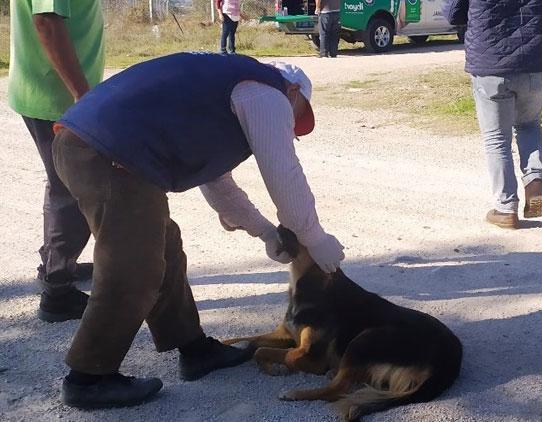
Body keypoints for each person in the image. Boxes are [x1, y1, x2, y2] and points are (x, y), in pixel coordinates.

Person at [52, 53, 346, 408]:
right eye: (297, 115)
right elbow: (283, 173)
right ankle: (88, 377)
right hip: (104, 151)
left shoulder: (225, 91)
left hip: (93, 144)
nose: (291, 124)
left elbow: (218, 185)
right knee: (134, 265)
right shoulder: (267, 93)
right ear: (295, 90)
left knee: (163, 246)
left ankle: (193, 348)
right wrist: (315, 237)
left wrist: (266, 232)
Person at [444, 0, 542, 229]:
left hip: (491, 63)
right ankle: (535, 180)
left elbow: (453, 13)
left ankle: (506, 207)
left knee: (497, 138)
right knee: (530, 125)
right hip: (536, 60)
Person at [8, 0, 104, 322]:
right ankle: (58, 289)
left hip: (52, 89)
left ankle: (55, 263)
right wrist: (81, 93)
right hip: (57, 95)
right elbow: (47, 21)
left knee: (61, 180)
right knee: (73, 187)